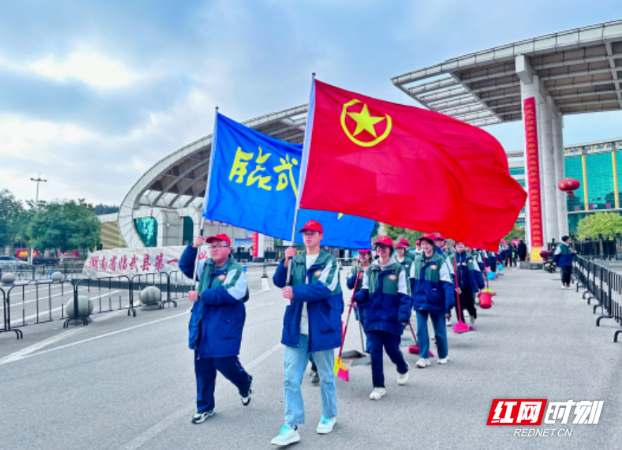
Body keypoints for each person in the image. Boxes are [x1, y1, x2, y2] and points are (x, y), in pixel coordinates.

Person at [271, 220, 343, 446]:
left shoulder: (330, 261)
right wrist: (285, 263)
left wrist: (296, 291)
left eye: (312, 233)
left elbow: (324, 288)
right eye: (305, 233)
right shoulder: (296, 259)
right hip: (296, 329)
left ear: (321, 236)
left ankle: (329, 415)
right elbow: (279, 282)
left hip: (321, 328)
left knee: (326, 376)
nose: (308, 236)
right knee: (290, 378)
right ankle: (291, 425)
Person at [178, 233, 252, 424]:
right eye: (212, 246)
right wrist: (193, 248)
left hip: (224, 325)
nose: (215, 249)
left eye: (220, 246)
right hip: (202, 322)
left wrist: (201, 295)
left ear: (229, 249)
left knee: (224, 362)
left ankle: (244, 383)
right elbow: (186, 267)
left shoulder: (236, 270)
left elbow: (230, 293)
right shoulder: (205, 266)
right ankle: (205, 407)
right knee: (203, 369)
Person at [354, 236, 411, 400]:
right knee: (375, 353)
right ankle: (378, 386)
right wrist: (357, 298)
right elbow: (365, 290)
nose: (381, 249)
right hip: (372, 316)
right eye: (379, 246)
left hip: (391, 317)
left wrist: (403, 316)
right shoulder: (370, 269)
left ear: (390, 250)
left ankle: (402, 367)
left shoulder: (399, 269)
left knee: (392, 350)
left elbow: (404, 295)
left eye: (385, 246)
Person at [410, 233, 455, 367]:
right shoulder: (417, 260)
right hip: (420, 298)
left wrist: (449, 299)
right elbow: (411, 280)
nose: (424, 246)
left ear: (432, 244)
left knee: (439, 331)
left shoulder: (441, 260)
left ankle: (443, 354)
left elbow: (447, 282)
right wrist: (410, 298)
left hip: (436, 299)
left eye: (427, 244)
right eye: (422, 244)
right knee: (421, 329)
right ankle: (424, 357)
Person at [453, 242, 485, 326]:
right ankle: (462, 323)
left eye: (462, 244)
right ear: (455, 247)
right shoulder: (451, 258)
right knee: (458, 305)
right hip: (456, 286)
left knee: (469, 304)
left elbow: (477, 271)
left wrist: (481, 285)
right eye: (458, 244)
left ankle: (472, 313)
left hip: (467, 286)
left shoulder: (470, 257)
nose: (460, 246)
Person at [347, 249, 373, 353]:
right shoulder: (354, 269)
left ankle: (369, 350)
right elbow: (349, 285)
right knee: (365, 326)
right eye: (360, 254)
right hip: (359, 303)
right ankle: (372, 345)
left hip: (372, 301)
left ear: (369, 255)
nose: (362, 256)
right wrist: (355, 277)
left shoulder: (374, 267)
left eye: (364, 254)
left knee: (369, 326)